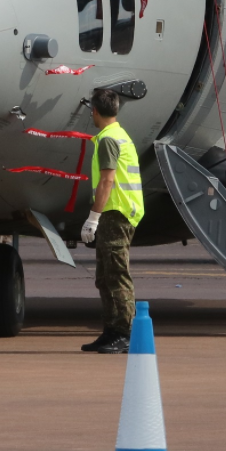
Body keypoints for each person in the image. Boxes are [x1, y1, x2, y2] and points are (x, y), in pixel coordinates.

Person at [79, 85, 143, 353]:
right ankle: (111, 330)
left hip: (116, 213)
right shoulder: (118, 134)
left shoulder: (107, 139)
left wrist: (92, 218)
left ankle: (124, 333)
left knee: (116, 275)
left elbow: (107, 181)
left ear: (95, 111)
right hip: (118, 212)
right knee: (105, 276)